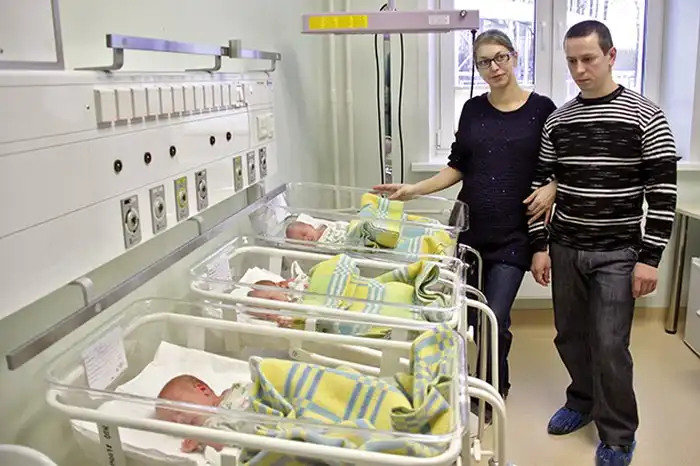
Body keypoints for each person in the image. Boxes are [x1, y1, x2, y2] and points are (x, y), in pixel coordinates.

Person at [374, 29, 558, 407]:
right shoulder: (473, 109)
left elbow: (559, 165)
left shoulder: (542, 109)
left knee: (496, 318)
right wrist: (413, 190)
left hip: (515, 233)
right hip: (471, 231)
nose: (494, 67)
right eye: (484, 62)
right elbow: (457, 166)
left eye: (500, 57)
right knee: (470, 317)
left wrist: (554, 188)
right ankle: (477, 380)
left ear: (514, 56)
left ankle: (491, 393)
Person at [528, 20, 678, 466]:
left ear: (611, 56)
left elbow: (663, 194)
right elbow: (540, 186)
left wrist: (649, 259)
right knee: (570, 336)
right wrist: (540, 246)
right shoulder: (559, 120)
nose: (579, 69)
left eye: (588, 59)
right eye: (571, 61)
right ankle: (582, 400)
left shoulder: (646, 116)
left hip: (618, 253)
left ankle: (617, 435)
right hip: (565, 247)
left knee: (610, 345)